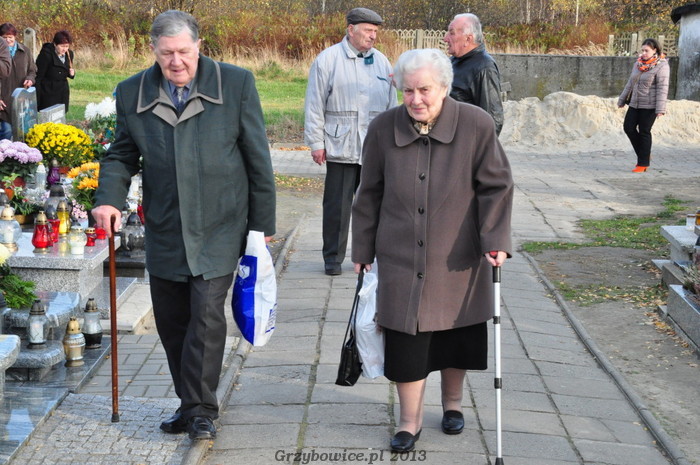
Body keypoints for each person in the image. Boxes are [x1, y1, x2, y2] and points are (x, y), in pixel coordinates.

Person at [92, 10, 276, 440]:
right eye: (166, 53)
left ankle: (201, 411)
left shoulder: (235, 84)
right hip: (166, 226)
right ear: (153, 50)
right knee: (173, 321)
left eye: (183, 52)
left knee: (206, 319)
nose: (176, 62)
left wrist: (261, 226)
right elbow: (121, 154)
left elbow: (258, 158)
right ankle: (189, 402)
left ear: (199, 46)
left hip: (220, 225)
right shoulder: (132, 91)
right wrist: (108, 199)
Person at [351, 48, 513, 452]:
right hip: (399, 256)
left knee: (455, 334)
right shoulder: (383, 128)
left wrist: (496, 239)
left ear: (444, 87)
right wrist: (362, 248)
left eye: (424, 90)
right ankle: (409, 421)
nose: (416, 99)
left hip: (457, 256)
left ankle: (453, 405)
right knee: (406, 341)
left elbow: (496, 186)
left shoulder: (476, 124)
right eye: (408, 90)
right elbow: (368, 194)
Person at [304, 7, 397, 276]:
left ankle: (370, 256)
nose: (373, 36)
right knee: (337, 208)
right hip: (340, 146)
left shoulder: (382, 62)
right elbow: (314, 103)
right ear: (351, 30)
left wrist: (393, 144)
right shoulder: (328, 60)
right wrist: (316, 142)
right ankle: (332, 259)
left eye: (375, 31)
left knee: (374, 205)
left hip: (373, 149)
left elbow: (392, 105)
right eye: (368, 31)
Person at [443, 13, 504, 135]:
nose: (445, 39)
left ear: (468, 39)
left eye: (452, 33)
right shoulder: (453, 61)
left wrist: (472, 146)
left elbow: (492, 120)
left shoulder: (484, 67)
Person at [617, 38, 669, 173]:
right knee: (628, 127)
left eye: (647, 51)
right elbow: (630, 83)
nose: (643, 53)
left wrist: (660, 108)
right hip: (635, 103)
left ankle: (643, 163)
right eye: (642, 50)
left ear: (655, 50)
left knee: (644, 131)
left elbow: (662, 88)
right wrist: (622, 99)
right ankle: (644, 153)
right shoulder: (638, 64)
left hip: (650, 105)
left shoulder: (662, 66)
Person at [0, 23, 37, 140]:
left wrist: (30, 79)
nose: (7, 40)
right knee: (6, 131)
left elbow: (32, 70)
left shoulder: (25, 51)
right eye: (4, 37)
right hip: (3, 100)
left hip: (20, 99)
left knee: (21, 133)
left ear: (15, 36)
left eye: (10, 37)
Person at [35, 30, 75, 111]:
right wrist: (37, 98)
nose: (64, 49)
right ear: (55, 44)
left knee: (61, 113)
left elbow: (65, 70)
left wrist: (71, 74)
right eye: (62, 46)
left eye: (67, 46)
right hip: (48, 92)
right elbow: (38, 76)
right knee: (49, 114)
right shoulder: (46, 55)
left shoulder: (69, 54)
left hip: (62, 91)